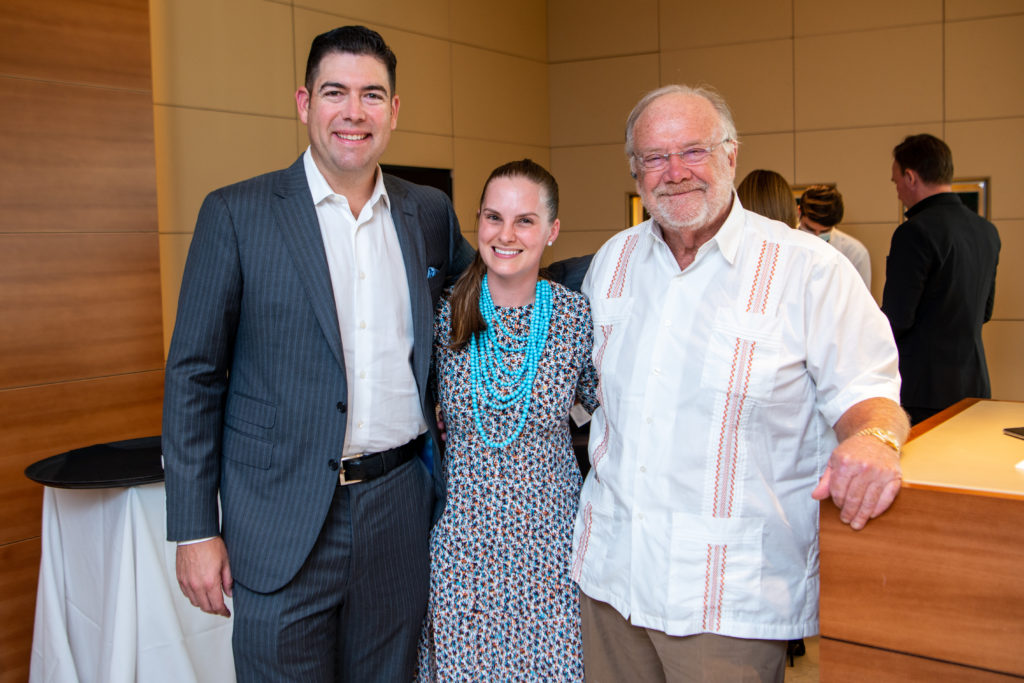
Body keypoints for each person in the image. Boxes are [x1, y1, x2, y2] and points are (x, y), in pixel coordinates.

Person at [163, 26, 474, 682]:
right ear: (305, 102)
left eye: (372, 95)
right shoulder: (237, 214)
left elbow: (484, 300)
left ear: (395, 110)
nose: (353, 112)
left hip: (399, 510)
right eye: (336, 92)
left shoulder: (429, 214)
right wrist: (193, 528)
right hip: (280, 519)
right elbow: (193, 375)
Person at [571, 84, 909, 682]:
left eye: (693, 151)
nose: (675, 172)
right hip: (611, 580)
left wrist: (875, 439)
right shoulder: (612, 261)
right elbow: (585, 389)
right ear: (635, 170)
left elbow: (868, 391)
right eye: (654, 157)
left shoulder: (809, 269)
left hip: (728, 599)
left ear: (731, 155)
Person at [416, 159, 598, 681]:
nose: (507, 234)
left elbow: (606, 411)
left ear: (552, 230)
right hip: (461, 550)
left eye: (525, 221)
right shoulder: (444, 314)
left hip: (552, 550)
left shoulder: (575, 318)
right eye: (494, 218)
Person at [881, 134, 1001, 425]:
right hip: (974, 384)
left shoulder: (914, 232)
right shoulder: (986, 231)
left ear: (911, 177)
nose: (897, 190)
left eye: (895, 180)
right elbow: (985, 312)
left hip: (923, 389)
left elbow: (898, 318)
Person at [798, 184, 871, 289]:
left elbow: (861, 301)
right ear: (799, 211)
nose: (817, 236)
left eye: (824, 231)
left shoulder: (855, 252)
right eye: (810, 229)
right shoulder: (784, 246)